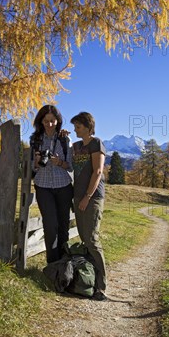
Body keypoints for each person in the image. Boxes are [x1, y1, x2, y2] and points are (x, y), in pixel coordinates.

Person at [70, 112, 108, 301]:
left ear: (87, 126)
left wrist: (87, 196)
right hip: (78, 197)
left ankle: (101, 286)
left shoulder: (96, 143)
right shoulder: (75, 146)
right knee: (85, 238)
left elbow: (98, 171)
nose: (75, 130)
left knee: (92, 239)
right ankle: (88, 281)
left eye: (78, 126)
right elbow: (70, 167)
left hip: (92, 197)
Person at [30, 105, 73, 263]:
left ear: (58, 121)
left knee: (63, 226)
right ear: (40, 121)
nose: (49, 124)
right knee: (50, 225)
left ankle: (64, 262)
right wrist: (35, 162)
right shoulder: (35, 140)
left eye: (52, 121)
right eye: (46, 121)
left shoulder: (64, 139)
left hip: (63, 186)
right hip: (43, 187)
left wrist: (59, 162)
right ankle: (53, 264)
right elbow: (31, 168)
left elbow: (71, 166)